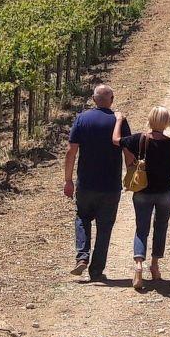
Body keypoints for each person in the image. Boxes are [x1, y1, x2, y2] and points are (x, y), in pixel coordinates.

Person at [62, 83, 127, 281]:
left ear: (93, 99)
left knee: (82, 218)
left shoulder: (82, 119)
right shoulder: (119, 121)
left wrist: (68, 180)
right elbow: (128, 151)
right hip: (110, 185)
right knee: (105, 227)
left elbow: (71, 151)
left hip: (86, 183)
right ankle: (96, 270)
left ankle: (82, 256)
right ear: (111, 100)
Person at [118, 105, 170, 291]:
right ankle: (154, 265)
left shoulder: (139, 139)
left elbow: (116, 141)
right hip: (165, 192)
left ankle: (138, 265)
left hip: (142, 191)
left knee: (141, 229)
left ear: (150, 120)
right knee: (161, 227)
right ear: (167, 122)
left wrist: (118, 121)